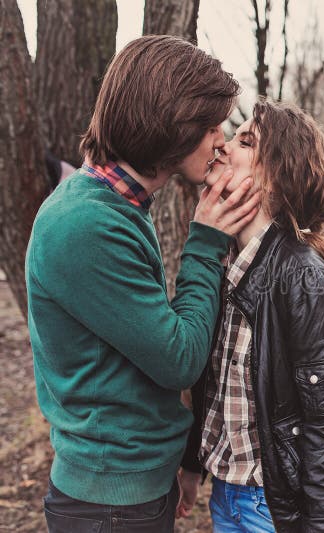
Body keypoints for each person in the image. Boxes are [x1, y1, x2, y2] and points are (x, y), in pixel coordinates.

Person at [26, 35, 261, 532]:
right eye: (210, 125)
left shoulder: (114, 207)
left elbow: (133, 356)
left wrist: (176, 460)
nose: (221, 139)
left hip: (128, 490)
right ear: (170, 124)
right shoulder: (88, 224)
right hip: (110, 504)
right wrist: (205, 240)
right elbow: (178, 359)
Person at [179, 99, 324, 533]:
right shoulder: (224, 262)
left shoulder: (303, 281)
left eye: (245, 141)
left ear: (275, 177)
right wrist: (192, 465)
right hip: (226, 495)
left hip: (272, 509)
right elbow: (210, 384)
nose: (223, 147)